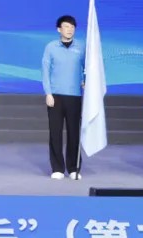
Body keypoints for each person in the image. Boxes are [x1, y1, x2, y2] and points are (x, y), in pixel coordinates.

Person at [42, 15, 85, 180]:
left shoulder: (81, 47)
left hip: (74, 96)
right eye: (66, 26)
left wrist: (85, 80)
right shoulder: (51, 47)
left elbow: (89, 68)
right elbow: (45, 71)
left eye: (72, 27)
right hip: (55, 97)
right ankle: (57, 168)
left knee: (74, 133)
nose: (70, 29)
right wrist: (48, 93)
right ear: (59, 29)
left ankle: (74, 168)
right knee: (55, 133)